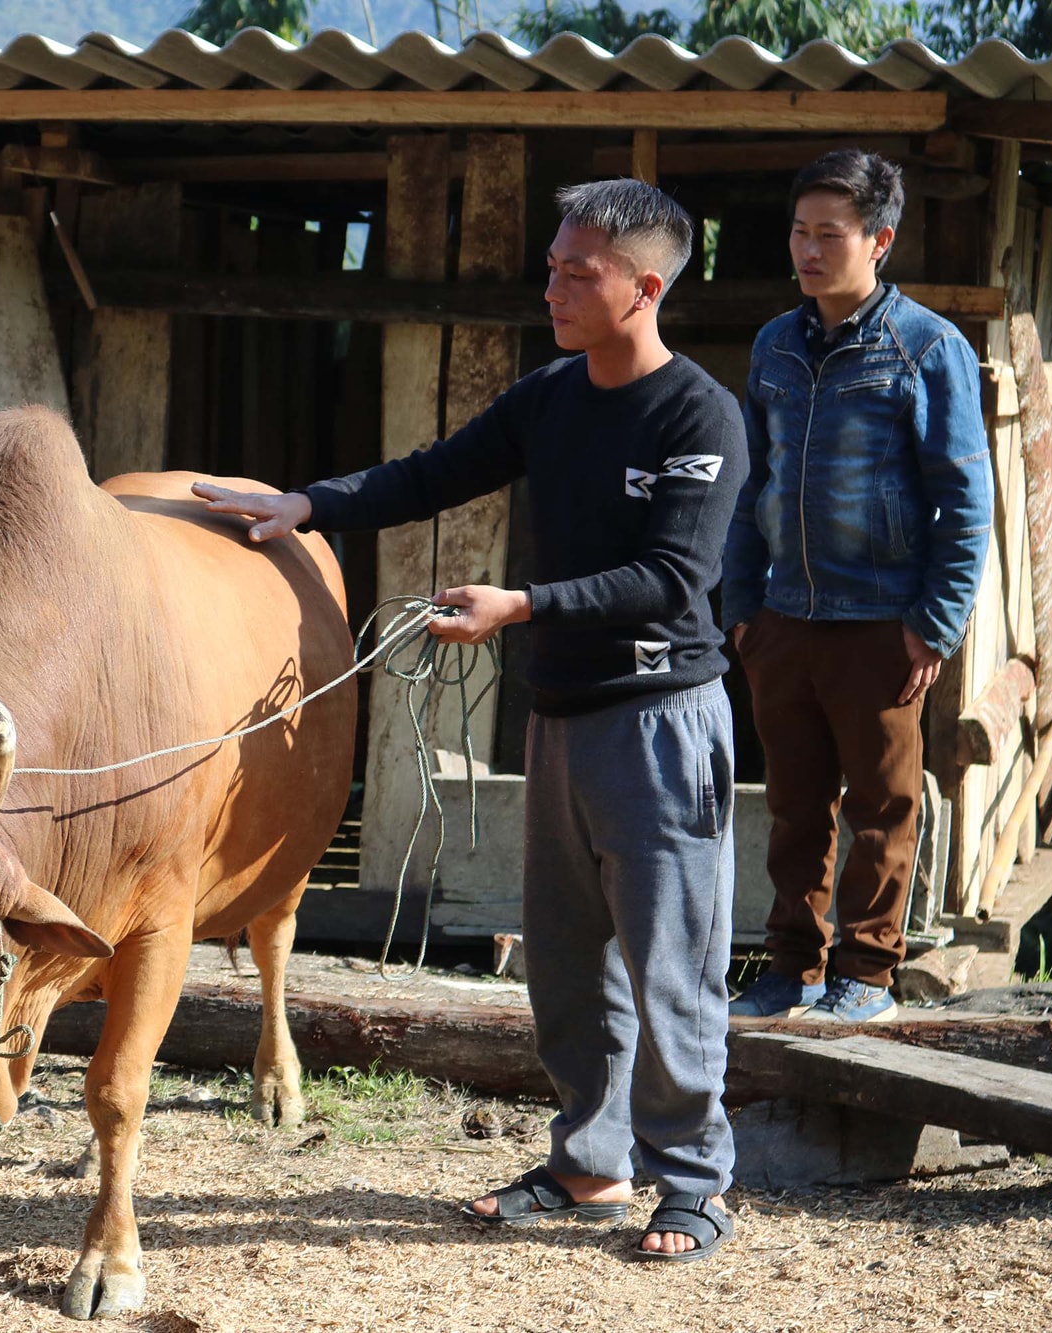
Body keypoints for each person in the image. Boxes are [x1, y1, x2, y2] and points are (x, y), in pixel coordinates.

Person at [194, 179, 746, 1262]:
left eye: (574, 270)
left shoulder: (699, 415)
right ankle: (589, 1161)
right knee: (565, 963)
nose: (550, 283)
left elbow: (672, 576)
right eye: (549, 264)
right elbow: (435, 473)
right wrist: (310, 504)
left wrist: (522, 607)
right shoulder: (549, 398)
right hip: (563, 716)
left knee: (670, 962)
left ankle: (692, 1182)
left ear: (642, 287)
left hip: (660, 720)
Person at [723, 150, 992, 1025]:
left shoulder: (926, 346)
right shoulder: (773, 344)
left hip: (882, 625)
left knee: (882, 805)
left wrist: (935, 626)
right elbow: (750, 486)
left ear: (879, 240)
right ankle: (789, 966)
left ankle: (866, 973)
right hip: (783, 618)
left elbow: (967, 498)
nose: (806, 249)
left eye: (827, 234)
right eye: (798, 231)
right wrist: (742, 612)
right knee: (794, 806)